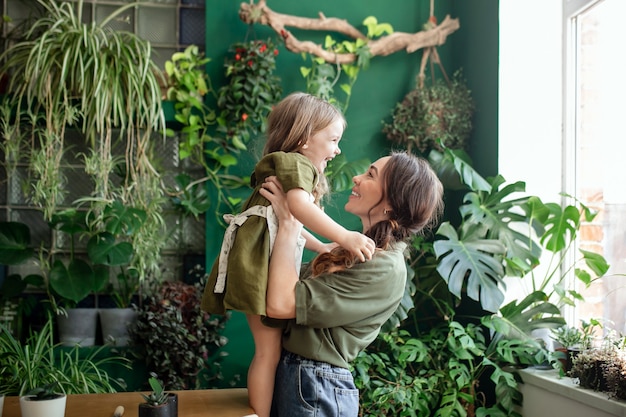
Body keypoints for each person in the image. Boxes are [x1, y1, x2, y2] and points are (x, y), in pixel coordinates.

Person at [201, 92, 375, 417]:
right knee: (267, 352)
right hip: (259, 265)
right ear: (306, 138)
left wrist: (321, 247)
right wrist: (344, 235)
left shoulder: (290, 166)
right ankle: (259, 413)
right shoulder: (296, 164)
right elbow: (296, 208)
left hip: (260, 259)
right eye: (333, 139)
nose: (337, 149)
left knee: (268, 350)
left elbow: (288, 221)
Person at [258, 151, 444, 417]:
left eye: (370, 175)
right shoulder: (354, 250)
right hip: (305, 380)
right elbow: (282, 282)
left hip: (315, 385)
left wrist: (290, 221)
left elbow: (281, 303)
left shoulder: (383, 267)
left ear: (391, 204)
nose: (356, 178)